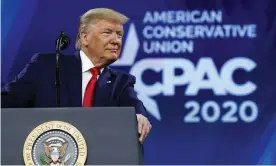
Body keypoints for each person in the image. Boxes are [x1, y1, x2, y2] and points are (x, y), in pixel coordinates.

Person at [1, 8, 151, 143]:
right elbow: (7, 101)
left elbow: (133, 104)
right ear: (84, 37)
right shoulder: (47, 66)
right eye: (107, 32)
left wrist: (138, 115)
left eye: (119, 35)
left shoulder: (121, 82)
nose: (116, 41)